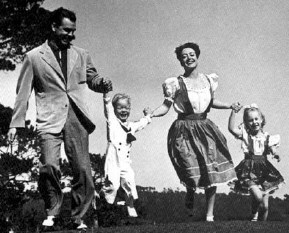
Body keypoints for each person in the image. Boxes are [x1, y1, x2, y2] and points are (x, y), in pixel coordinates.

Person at [7, 7, 112, 231]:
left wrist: (101, 83)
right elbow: (23, 93)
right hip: (49, 118)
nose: (71, 35)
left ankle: (78, 218)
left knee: (83, 170)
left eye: (73, 31)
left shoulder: (82, 54)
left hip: (77, 117)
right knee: (49, 167)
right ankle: (52, 212)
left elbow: (91, 78)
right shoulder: (34, 57)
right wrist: (16, 123)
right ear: (54, 27)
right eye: (66, 30)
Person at [148, 42, 241, 221]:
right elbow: (166, 106)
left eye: (192, 54)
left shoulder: (208, 80)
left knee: (211, 170)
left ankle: (209, 215)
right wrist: (151, 114)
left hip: (205, 128)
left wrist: (230, 105)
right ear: (181, 61)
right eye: (184, 56)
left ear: (197, 57)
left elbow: (211, 102)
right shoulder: (175, 83)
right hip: (184, 128)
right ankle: (190, 191)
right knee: (189, 169)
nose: (189, 58)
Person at [228, 104, 284, 221]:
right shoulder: (245, 135)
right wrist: (233, 112)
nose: (254, 122)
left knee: (265, 207)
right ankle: (253, 214)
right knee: (258, 197)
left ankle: (260, 228)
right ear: (246, 122)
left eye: (256, 119)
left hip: (264, 171)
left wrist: (275, 153)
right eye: (250, 120)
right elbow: (231, 129)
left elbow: (272, 148)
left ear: (261, 119)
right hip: (248, 170)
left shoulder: (267, 137)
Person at [101, 92, 151, 217]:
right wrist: (106, 94)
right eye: (120, 107)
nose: (124, 110)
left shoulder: (130, 126)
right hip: (113, 160)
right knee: (112, 184)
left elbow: (141, 123)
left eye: (126, 108)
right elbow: (107, 108)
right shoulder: (112, 122)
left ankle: (130, 204)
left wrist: (148, 116)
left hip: (125, 161)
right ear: (114, 109)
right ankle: (103, 200)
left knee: (129, 181)